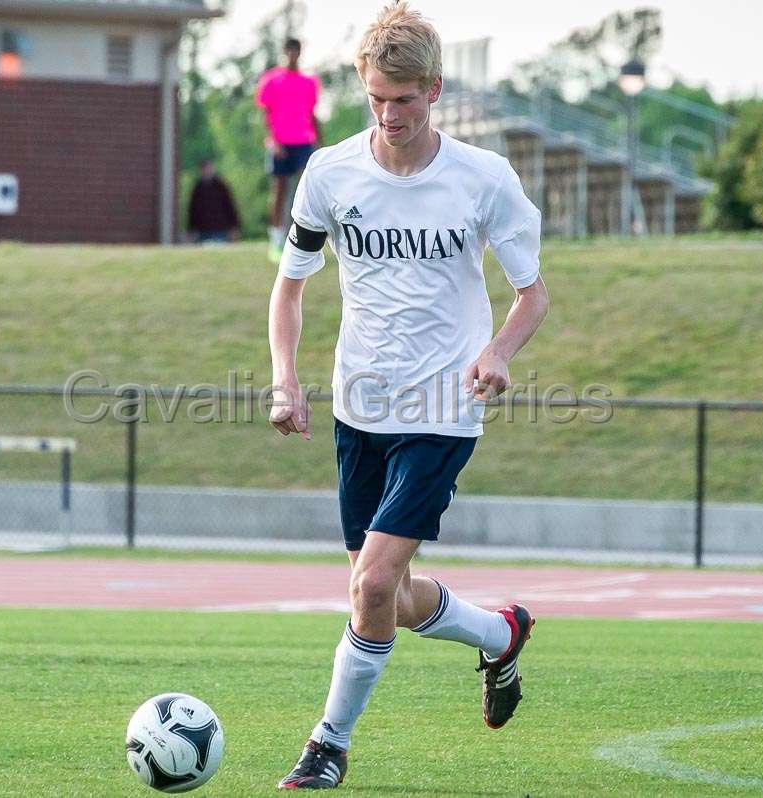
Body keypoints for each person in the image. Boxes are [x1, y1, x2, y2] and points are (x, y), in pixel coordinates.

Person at [267, 1, 549, 790]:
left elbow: (533, 295)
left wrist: (496, 353)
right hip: (359, 406)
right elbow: (289, 289)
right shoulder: (328, 174)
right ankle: (498, 632)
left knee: (372, 585)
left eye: (405, 98)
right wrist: (285, 380)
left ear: (433, 89)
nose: (389, 115)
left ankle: (328, 746)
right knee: (379, 597)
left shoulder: (484, 179)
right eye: (376, 99)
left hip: (443, 409)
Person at [256, 37, 322, 263]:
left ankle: (303, 239)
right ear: (285, 52)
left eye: (297, 51)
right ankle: (276, 241)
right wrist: (273, 142)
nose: (293, 55)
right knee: (280, 190)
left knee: (305, 191)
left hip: (303, 141)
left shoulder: (309, 81)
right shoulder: (272, 80)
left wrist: (319, 143)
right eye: (290, 51)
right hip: (281, 143)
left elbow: (312, 113)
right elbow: (266, 114)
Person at [186, 160, 241, 244]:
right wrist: (191, 230)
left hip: (220, 229)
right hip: (202, 230)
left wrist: (234, 227)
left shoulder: (221, 186)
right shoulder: (197, 188)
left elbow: (229, 207)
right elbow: (192, 210)